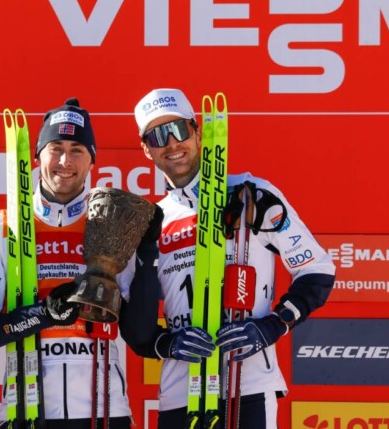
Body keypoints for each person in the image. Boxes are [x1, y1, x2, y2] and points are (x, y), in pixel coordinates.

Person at [129, 89, 336, 428]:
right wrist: (165, 343)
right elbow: (135, 319)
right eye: (157, 136)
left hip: (250, 382)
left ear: (198, 132)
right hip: (181, 389)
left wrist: (274, 324)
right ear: (146, 148)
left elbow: (317, 270)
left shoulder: (252, 194)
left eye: (179, 130)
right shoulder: (153, 221)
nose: (172, 143)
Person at [0, 98, 162, 428]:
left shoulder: (114, 225)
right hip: (24, 411)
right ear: (38, 156)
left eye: (77, 149)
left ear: (92, 161)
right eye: (55, 148)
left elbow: (138, 333)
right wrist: (42, 314)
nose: (65, 161)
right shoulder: (1, 230)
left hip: (104, 410)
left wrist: (146, 251)